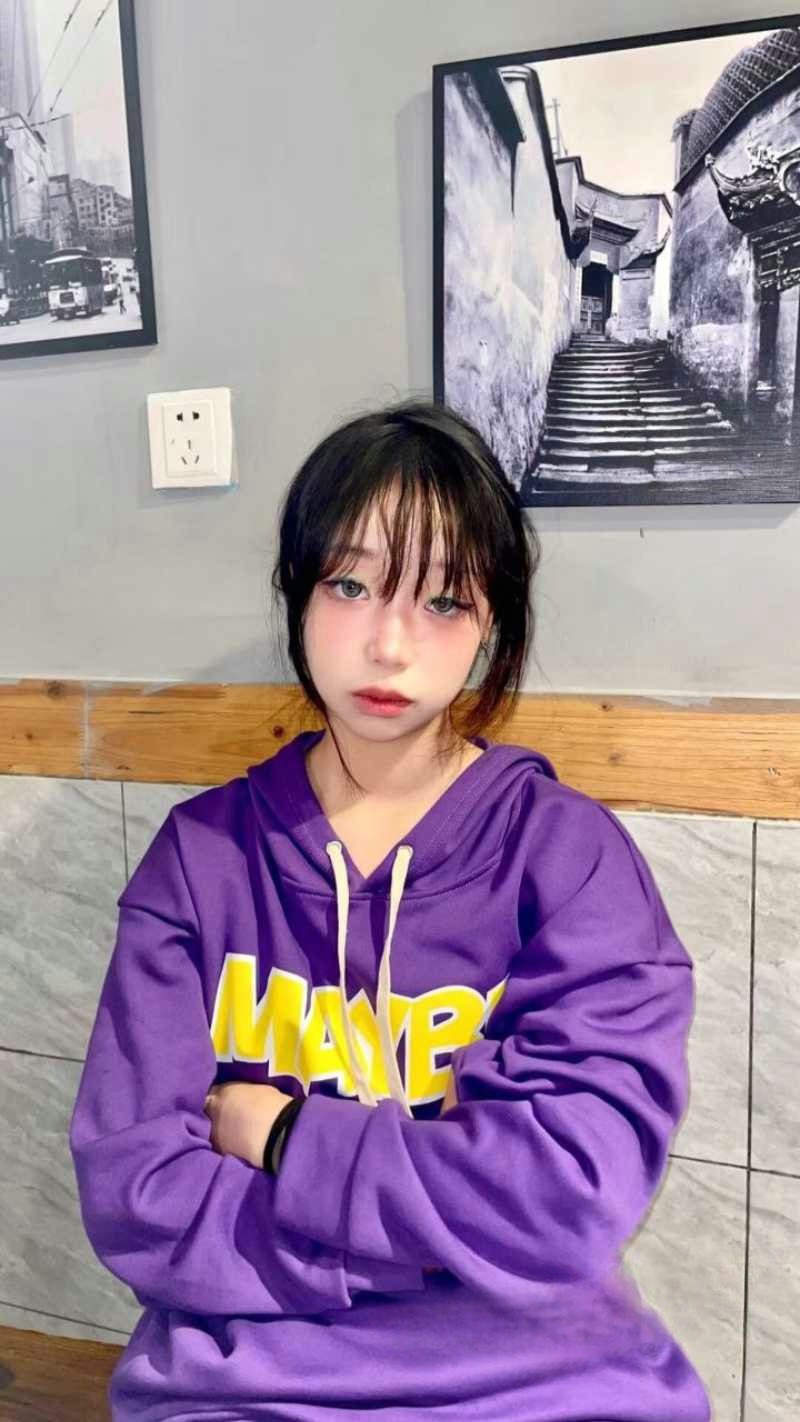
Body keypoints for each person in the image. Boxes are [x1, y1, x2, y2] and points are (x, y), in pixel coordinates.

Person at [69, 399, 712, 1421]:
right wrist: (440, 1236)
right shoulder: (199, 860)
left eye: (444, 600)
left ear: (491, 623)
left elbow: (567, 1195)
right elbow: (135, 1192)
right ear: (297, 594)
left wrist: (284, 1136)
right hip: (249, 1379)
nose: (389, 643)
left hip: (540, 1381)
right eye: (351, 585)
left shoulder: (569, 860)